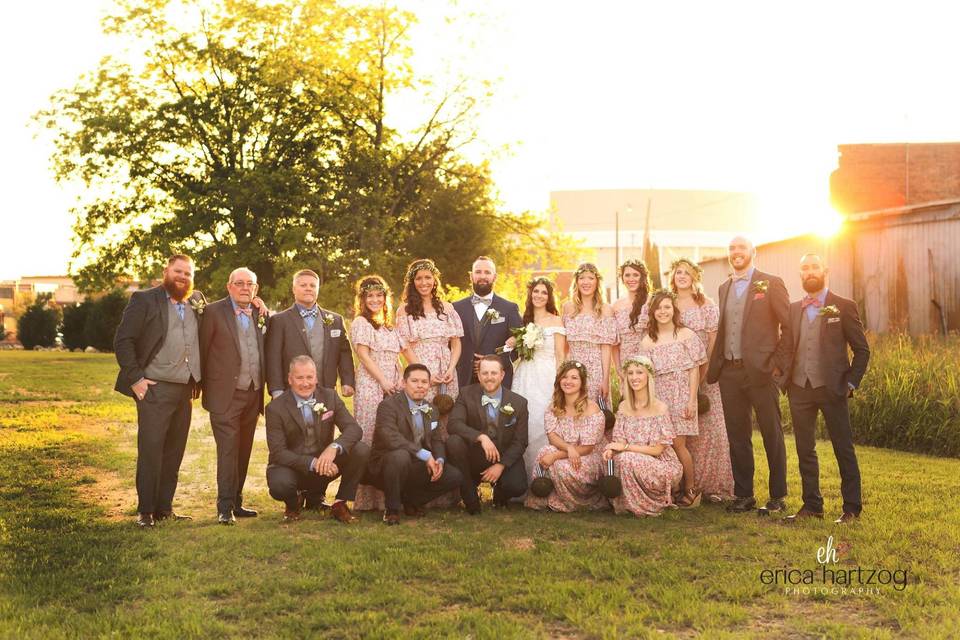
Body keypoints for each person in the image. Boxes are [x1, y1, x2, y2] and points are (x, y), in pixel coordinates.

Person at [114, 254, 206, 527]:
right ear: (166, 272)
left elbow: (224, 314)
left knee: (174, 451)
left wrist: (257, 304)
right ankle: (145, 511)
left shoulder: (197, 301)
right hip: (154, 388)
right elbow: (123, 340)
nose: (183, 277)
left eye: (188, 273)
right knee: (152, 450)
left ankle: (165, 507)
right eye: (178, 271)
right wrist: (136, 379)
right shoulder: (144, 299)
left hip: (185, 391)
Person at [706, 235, 793, 514]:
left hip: (761, 372)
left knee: (771, 434)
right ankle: (744, 495)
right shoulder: (723, 287)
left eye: (741, 247)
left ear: (753, 252)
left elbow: (789, 328)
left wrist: (777, 366)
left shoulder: (771, 282)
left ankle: (777, 496)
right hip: (729, 373)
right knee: (738, 436)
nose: (736, 252)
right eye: (731, 248)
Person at [785, 254, 870, 525]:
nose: (809, 272)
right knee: (804, 449)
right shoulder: (793, 308)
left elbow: (862, 350)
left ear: (825, 271)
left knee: (843, 448)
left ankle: (852, 508)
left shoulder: (843, 306)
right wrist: (780, 378)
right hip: (799, 388)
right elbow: (786, 347)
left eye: (814, 267)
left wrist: (850, 383)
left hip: (833, 388)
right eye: (804, 268)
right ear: (800, 274)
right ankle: (812, 505)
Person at [198, 267, 269, 524]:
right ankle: (224, 508)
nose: (244, 288)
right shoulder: (213, 312)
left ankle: (237, 503)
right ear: (229, 286)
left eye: (249, 284)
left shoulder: (261, 314)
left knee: (244, 450)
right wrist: (201, 386)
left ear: (256, 289)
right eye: (239, 283)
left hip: (253, 394)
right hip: (224, 395)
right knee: (228, 450)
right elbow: (203, 350)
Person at [264, 356, 369, 524]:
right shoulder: (275, 408)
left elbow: (354, 429)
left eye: (309, 377)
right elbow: (278, 452)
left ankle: (340, 503)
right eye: (299, 377)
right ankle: (293, 503)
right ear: (290, 379)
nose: (305, 383)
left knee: (361, 450)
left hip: (325, 463)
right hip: (292, 466)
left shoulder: (329, 397)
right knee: (280, 484)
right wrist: (313, 463)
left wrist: (334, 448)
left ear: (316, 378)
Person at [667, 258, 734, 503]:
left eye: (686, 273)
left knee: (710, 431)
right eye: (678, 273)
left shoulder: (706, 304)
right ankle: (683, 484)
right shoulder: (669, 304)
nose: (682, 276)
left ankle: (713, 486)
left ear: (695, 277)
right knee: (680, 432)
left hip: (705, 373)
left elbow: (714, 341)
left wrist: (705, 373)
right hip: (675, 376)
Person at [366, 364, 464, 525]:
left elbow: (437, 439)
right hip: (387, 462)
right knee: (400, 456)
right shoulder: (388, 405)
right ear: (404, 383)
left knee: (454, 476)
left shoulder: (431, 409)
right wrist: (425, 455)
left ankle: (411, 500)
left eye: (424, 382)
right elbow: (391, 438)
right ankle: (392, 509)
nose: (420, 385)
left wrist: (439, 460)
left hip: (417, 463)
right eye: (415, 381)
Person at [640, 290, 707, 508]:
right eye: (658, 308)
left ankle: (691, 489)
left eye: (667, 307)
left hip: (681, 395)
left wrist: (692, 400)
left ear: (674, 309)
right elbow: (645, 376)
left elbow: (695, 369)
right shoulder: (648, 341)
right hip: (659, 397)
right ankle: (672, 490)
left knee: (679, 444)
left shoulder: (686, 334)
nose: (663, 312)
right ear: (652, 311)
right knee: (663, 446)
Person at [349, 275, 406, 512]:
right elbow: (363, 355)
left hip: (392, 385)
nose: (374, 300)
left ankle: (388, 495)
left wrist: (401, 377)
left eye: (378, 295)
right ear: (362, 299)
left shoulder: (390, 326)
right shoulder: (361, 323)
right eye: (369, 296)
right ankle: (366, 499)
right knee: (370, 435)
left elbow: (397, 357)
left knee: (390, 437)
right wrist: (383, 381)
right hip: (371, 385)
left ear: (385, 298)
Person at [446, 356, 529, 513]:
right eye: (485, 373)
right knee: (453, 442)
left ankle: (496, 495)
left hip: (503, 455)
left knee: (518, 486)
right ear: (479, 375)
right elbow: (454, 424)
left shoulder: (519, 402)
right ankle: (469, 496)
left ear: (502, 375)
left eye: (493, 373)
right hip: (475, 454)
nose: (489, 377)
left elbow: (521, 441)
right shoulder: (466, 393)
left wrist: (501, 465)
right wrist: (481, 437)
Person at [604, 357, 682, 517]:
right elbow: (619, 439)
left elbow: (658, 450)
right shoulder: (624, 406)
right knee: (614, 460)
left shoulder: (660, 408)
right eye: (630, 373)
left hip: (661, 463)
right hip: (632, 459)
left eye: (639, 372)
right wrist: (611, 450)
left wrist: (625, 448)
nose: (634, 377)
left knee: (625, 459)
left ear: (648, 377)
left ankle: (648, 505)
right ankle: (628, 504)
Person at [524, 360, 607, 512]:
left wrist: (556, 456)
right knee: (544, 452)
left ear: (582, 383)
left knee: (557, 464)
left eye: (574, 378)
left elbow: (588, 448)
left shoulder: (592, 409)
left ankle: (575, 503)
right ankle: (543, 497)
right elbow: (552, 437)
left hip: (588, 456)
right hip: (568, 450)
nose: (568, 381)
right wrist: (568, 448)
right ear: (559, 380)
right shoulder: (554, 406)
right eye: (565, 377)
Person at [265, 269, 355, 399]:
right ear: (294, 289)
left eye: (312, 286)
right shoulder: (279, 320)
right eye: (303, 285)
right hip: (290, 392)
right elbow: (273, 358)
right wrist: (276, 390)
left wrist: (347, 382)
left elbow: (344, 353)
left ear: (318, 289)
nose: (308, 289)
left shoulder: (336, 320)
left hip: (326, 390)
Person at [511, 276, 567, 475]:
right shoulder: (523, 320)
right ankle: (523, 478)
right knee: (523, 422)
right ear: (530, 294)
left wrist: (559, 384)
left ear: (549, 297)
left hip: (546, 376)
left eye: (544, 292)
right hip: (525, 375)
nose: (539, 295)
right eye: (536, 291)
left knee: (542, 421)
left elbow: (561, 355)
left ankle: (545, 476)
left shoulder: (556, 320)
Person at [396, 259, 463, 403]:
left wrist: (451, 369)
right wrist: (425, 374)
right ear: (412, 282)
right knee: (422, 412)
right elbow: (405, 347)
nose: (424, 282)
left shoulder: (447, 308)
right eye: (419, 278)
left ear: (434, 279)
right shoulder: (404, 311)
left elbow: (456, 343)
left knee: (447, 410)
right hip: (419, 368)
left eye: (428, 277)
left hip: (446, 370)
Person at [452, 256, 523, 389]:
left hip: (498, 381)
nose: (482, 276)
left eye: (487, 272)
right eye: (478, 272)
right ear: (471, 276)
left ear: (494, 277)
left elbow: (518, 344)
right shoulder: (456, 308)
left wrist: (494, 363)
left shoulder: (509, 308)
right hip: (463, 380)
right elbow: (450, 344)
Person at [562, 263, 616, 404]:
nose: (586, 282)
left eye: (590, 278)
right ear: (577, 281)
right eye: (582, 278)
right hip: (572, 371)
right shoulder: (567, 308)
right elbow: (564, 346)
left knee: (595, 414)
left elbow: (606, 348)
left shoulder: (606, 309)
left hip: (596, 372)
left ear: (597, 281)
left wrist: (605, 380)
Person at [612, 259, 651, 369]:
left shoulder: (651, 301)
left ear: (642, 277)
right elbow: (615, 344)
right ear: (622, 278)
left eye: (635, 275)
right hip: (626, 362)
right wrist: (619, 369)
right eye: (627, 275)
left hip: (649, 358)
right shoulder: (616, 306)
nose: (631, 279)